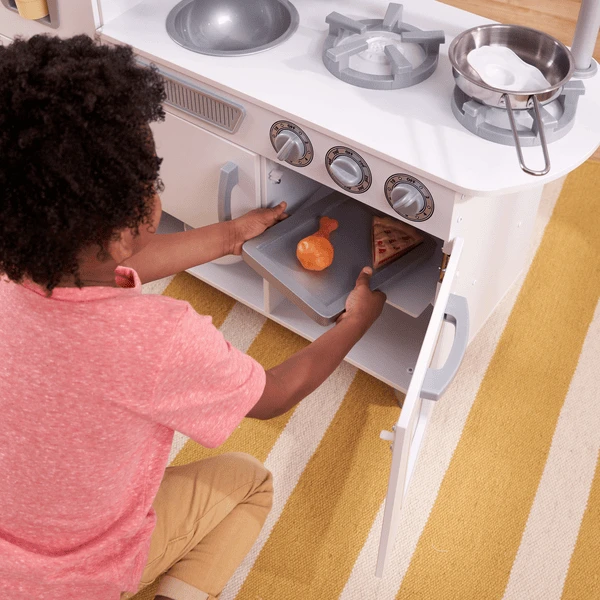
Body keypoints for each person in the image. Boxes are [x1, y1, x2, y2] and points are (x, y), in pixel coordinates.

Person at [0, 35, 386, 600]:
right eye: (150, 176)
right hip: (73, 576)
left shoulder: (23, 262)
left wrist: (230, 236)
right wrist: (355, 323)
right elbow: (273, 395)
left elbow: (107, 262)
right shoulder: (157, 341)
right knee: (249, 483)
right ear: (131, 221)